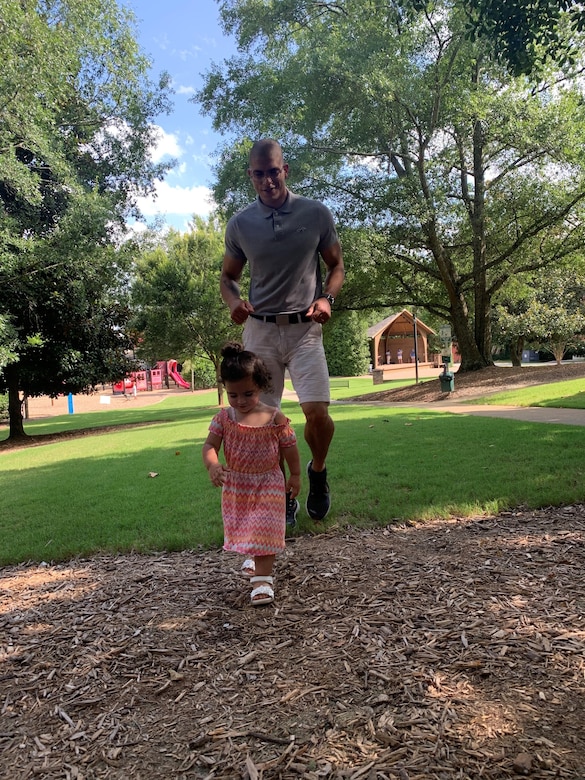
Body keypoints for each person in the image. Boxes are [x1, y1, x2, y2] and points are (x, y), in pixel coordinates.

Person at [220, 139, 345, 523]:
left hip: (305, 329)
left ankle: (317, 471)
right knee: (264, 420)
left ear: (285, 170)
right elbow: (228, 277)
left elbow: (337, 267)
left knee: (317, 413)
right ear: (250, 176)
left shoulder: (316, 214)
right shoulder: (241, 224)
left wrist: (327, 299)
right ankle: (283, 494)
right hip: (260, 333)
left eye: (273, 171)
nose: (267, 180)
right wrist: (234, 303)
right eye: (259, 173)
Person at [202, 343, 301, 606]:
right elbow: (210, 446)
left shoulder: (274, 418)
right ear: (225, 389)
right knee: (247, 526)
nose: (241, 401)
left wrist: (296, 475)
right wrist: (213, 465)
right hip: (238, 484)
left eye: (248, 393)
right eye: (233, 395)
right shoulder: (224, 419)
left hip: (268, 481)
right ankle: (253, 557)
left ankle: (262, 582)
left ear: (261, 386)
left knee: (266, 528)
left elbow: (289, 448)